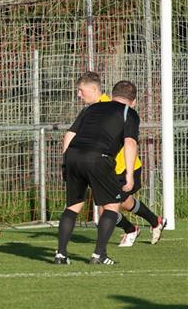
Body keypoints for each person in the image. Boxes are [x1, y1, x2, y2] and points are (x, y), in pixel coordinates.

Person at [62, 72, 166, 247]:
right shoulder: (91, 109)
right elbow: (71, 133)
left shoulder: (109, 106)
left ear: (94, 90)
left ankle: (144, 225)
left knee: (114, 205)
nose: (79, 95)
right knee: (116, 204)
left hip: (122, 166)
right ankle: (140, 226)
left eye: (81, 90)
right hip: (101, 165)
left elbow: (129, 141)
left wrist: (130, 174)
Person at [56, 80, 140, 265]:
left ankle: (61, 254)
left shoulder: (91, 108)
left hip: (72, 156)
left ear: (111, 95)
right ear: (133, 101)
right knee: (111, 205)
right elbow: (130, 143)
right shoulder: (129, 113)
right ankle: (99, 255)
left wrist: (65, 163)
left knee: (73, 206)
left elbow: (69, 135)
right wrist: (129, 175)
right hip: (98, 158)